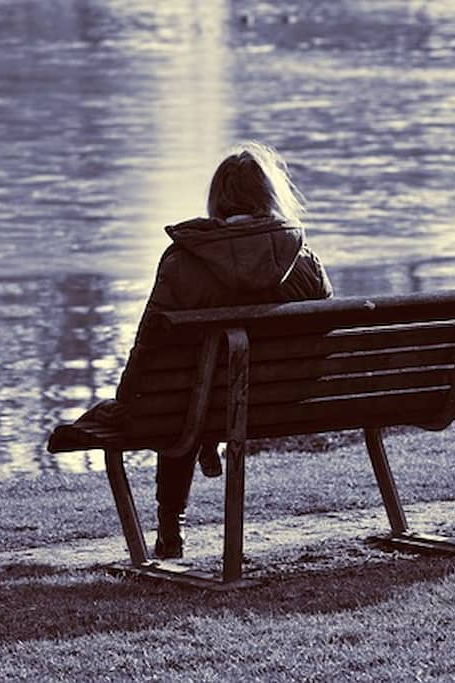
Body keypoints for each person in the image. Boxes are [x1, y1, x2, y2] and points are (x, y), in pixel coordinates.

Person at [87, 142, 333, 559]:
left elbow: (150, 348)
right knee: (192, 398)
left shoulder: (184, 262)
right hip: (287, 402)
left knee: (182, 403)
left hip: (194, 407)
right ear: (271, 197)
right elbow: (328, 340)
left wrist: (128, 401)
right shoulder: (303, 260)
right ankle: (203, 441)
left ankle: (171, 531)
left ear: (217, 199)